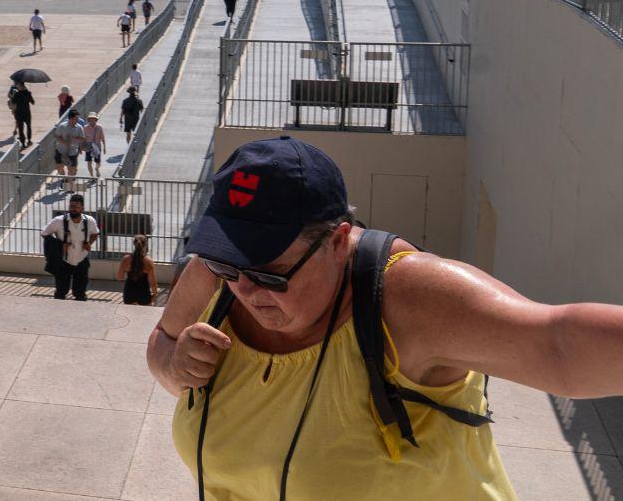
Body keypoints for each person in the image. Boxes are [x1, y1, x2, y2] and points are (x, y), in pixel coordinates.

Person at [147, 136, 575, 498]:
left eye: (270, 272)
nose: (243, 287)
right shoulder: (214, 273)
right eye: (228, 263)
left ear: (337, 242)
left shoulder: (409, 297)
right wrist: (173, 362)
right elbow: (161, 346)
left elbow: (557, 347)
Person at [40, 194, 99, 301]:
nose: (73, 209)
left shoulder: (90, 221)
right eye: (71, 206)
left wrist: (89, 243)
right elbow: (44, 234)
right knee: (61, 291)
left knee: (80, 292)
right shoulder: (58, 221)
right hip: (64, 261)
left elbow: (95, 233)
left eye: (76, 207)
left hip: (81, 259)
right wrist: (59, 245)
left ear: (82, 208)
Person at [118, 234, 158, 306]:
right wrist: (155, 295)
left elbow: (119, 277)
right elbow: (153, 283)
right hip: (143, 293)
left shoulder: (126, 259)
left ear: (134, 243)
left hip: (129, 293)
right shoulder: (148, 261)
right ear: (145, 245)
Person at [54, 108, 85, 192]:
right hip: (61, 151)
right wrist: (64, 142)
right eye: (76, 118)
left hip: (72, 152)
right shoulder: (62, 126)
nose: (77, 120)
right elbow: (57, 136)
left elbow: (82, 138)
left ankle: (70, 187)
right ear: (71, 118)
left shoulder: (79, 127)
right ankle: (64, 179)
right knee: (59, 168)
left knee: (71, 170)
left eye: (77, 118)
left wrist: (74, 138)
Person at [9, 80, 34, 147]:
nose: (17, 86)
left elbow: (13, 102)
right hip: (27, 113)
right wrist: (29, 95)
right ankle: (29, 141)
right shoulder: (28, 93)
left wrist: (14, 95)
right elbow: (33, 102)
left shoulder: (17, 94)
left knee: (21, 129)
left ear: (20, 86)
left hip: (19, 113)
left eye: (18, 85)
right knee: (28, 126)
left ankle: (23, 143)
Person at [83, 111, 106, 178]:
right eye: (91, 118)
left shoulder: (99, 127)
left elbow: (103, 138)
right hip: (88, 146)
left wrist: (104, 148)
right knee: (89, 162)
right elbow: (83, 138)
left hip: (97, 147)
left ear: (96, 119)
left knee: (98, 162)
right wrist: (81, 147)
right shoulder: (85, 127)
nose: (92, 120)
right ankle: (92, 176)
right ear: (89, 119)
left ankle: (97, 169)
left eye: (94, 118)